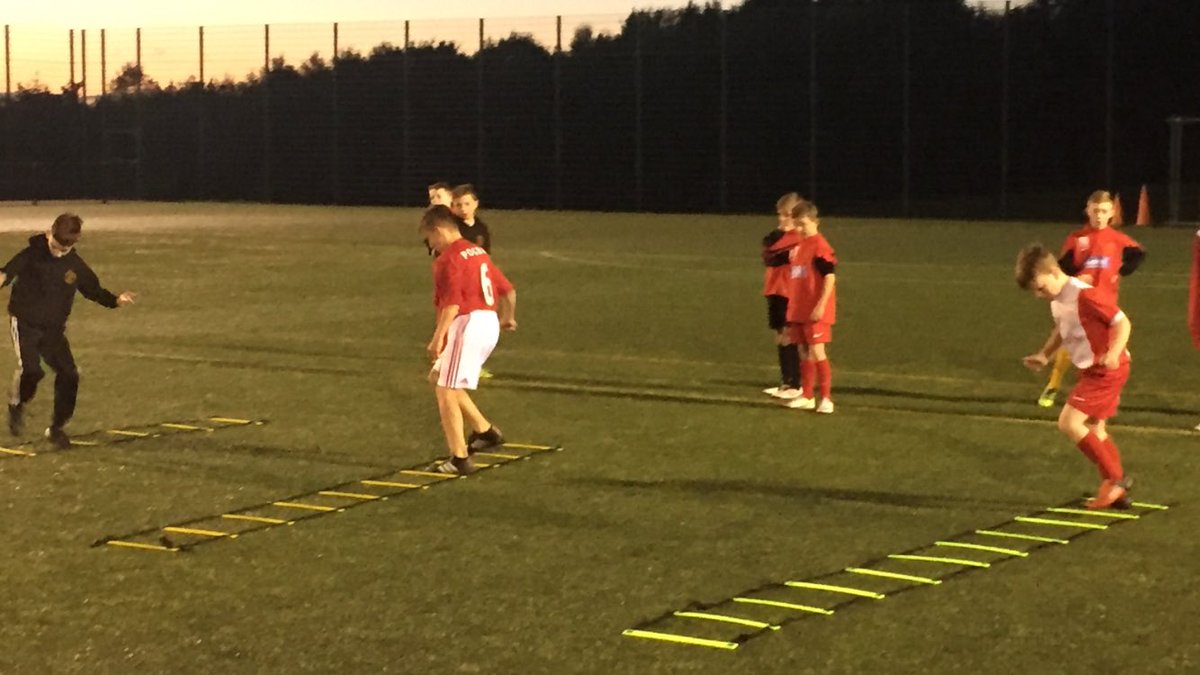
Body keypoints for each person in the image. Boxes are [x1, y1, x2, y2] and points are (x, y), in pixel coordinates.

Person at [1, 213, 137, 448]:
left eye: (66, 246)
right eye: (56, 244)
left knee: (69, 375)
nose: (59, 250)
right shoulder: (32, 253)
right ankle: (16, 403)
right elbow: (9, 271)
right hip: (25, 324)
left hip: (53, 331)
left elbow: (93, 290)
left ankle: (56, 428)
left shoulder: (75, 265)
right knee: (32, 371)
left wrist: (115, 300)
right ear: (49, 233)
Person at [1016, 244, 1132, 509]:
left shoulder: (1085, 295)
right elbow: (1062, 328)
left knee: (1069, 422)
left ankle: (1115, 480)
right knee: (1095, 429)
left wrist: (1113, 352)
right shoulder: (1058, 299)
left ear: (1054, 272)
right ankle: (1118, 491)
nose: (1038, 295)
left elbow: (1122, 321)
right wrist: (1045, 355)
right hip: (1093, 369)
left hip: (1105, 371)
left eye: (1040, 287)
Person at [420, 205, 516, 475]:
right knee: (439, 378)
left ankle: (459, 458)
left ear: (438, 231)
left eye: (430, 239)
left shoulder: (448, 259)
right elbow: (508, 290)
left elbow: (451, 303)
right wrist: (508, 317)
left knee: (445, 389)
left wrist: (437, 338)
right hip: (488, 323)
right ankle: (485, 431)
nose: (431, 246)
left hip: (468, 324)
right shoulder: (478, 253)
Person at [1038, 190, 1145, 407]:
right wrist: (1077, 276)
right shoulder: (1077, 239)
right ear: (1087, 211)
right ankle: (1053, 385)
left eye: (1104, 211)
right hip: (1079, 302)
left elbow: (1139, 254)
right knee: (1070, 343)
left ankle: (1104, 391)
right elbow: (1063, 268)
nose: (1098, 215)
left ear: (1112, 213)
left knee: (1110, 347)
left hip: (1105, 303)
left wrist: (1121, 271)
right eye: (1095, 211)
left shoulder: (1118, 239)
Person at [784, 199, 837, 414]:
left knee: (817, 351)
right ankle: (807, 396)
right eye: (796, 224)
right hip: (798, 309)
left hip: (815, 311)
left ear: (816, 222)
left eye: (803, 224)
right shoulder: (798, 247)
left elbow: (829, 278)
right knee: (803, 351)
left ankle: (825, 398)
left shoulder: (820, 247)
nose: (799, 228)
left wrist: (821, 306)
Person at [761, 192, 803, 400]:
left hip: (789, 292)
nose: (782, 219)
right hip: (774, 290)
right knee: (779, 336)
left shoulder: (800, 238)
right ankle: (786, 382)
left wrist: (779, 255)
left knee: (790, 335)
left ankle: (796, 382)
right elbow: (768, 254)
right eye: (780, 215)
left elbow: (773, 258)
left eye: (787, 215)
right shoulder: (778, 236)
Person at [451, 184, 492, 254]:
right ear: (452, 206)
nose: (463, 209)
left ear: (476, 204)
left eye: (467, 204)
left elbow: (486, 255)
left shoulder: (481, 228)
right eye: (458, 205)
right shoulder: (451, 228)